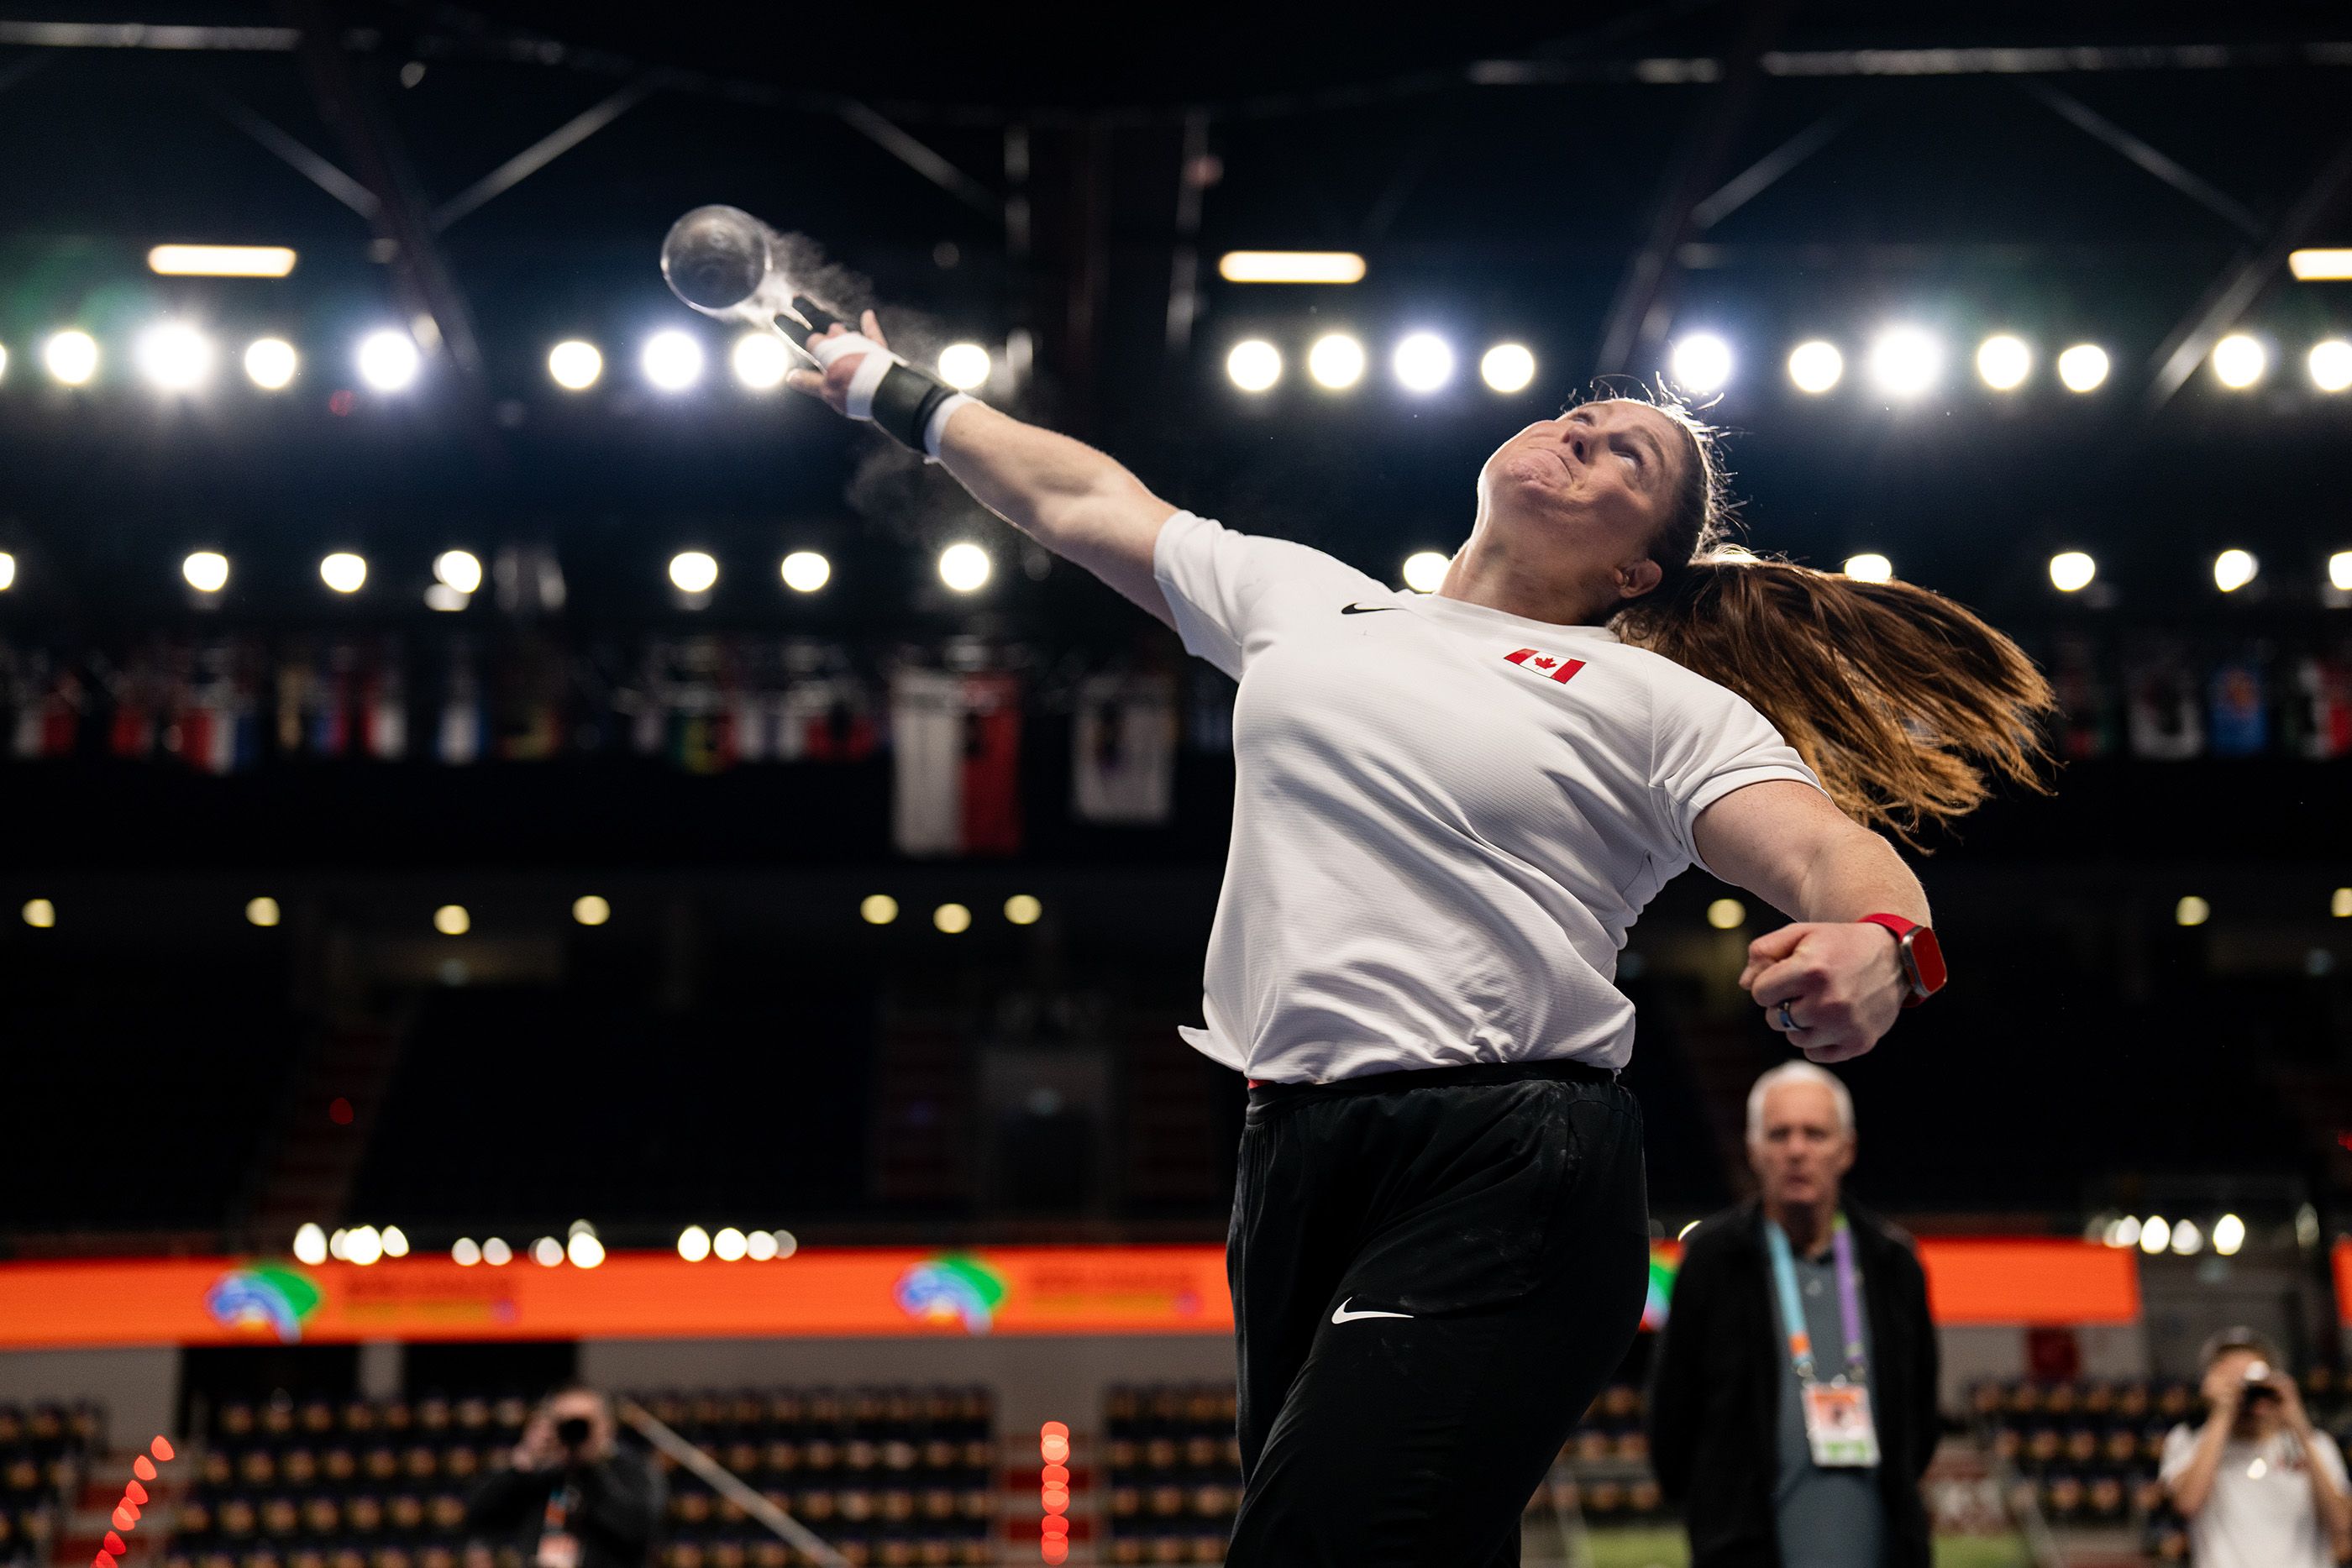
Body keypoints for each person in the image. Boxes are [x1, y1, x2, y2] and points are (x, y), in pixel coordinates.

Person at [787, 312, 2047, 1565]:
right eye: (1586, 413)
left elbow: (1830, 850)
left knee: (1316, 1545)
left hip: (1508, 1158)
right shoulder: (1307, 600)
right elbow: (1079, 496)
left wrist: (1887, 944)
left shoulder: (1656, 700)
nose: (1587, 429)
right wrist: (889, 389)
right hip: (1289, 1156)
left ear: (1635, 575)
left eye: (1628, 458)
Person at [1646, 1062, 1940, 1568]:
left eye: (1815, 1134)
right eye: (1779, 1134)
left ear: (1846, 1149)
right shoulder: (1712, 1262)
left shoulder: (1894, 1263)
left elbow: (1921, 1415)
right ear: (1754, 1150)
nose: (1797, 1150)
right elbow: (1673, 1418)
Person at [2161, 1328, 2351, 1568]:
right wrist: (2222, 1413)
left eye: (2252, 1378)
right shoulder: (2188, 1439)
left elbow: (2341, 1522)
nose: (2245, 1390)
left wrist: (2298, 1424)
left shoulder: (2316, 1443)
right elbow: (2187, 1504)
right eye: (2231, 1378)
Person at [465, 1384, 663, 1568]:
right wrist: (522, 1465)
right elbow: (477, 1515)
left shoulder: (631, 1471)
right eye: (564, 1423)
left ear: (606, 1425)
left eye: (583, 1423)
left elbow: (638, 1531)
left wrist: (593, 1466)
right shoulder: (540, 1476)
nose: (574, 1432)